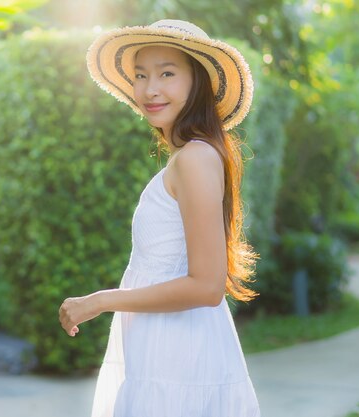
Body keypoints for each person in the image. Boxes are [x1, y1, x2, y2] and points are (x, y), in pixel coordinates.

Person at [58, 20, 261, 417]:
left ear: (197, 82)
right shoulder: (187, 158)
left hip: (178, 357)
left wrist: (99, 301)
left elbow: (206, 286)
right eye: (140, 75)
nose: (150, 89)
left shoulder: (196, 158)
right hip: (161, 348)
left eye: (167, 73)